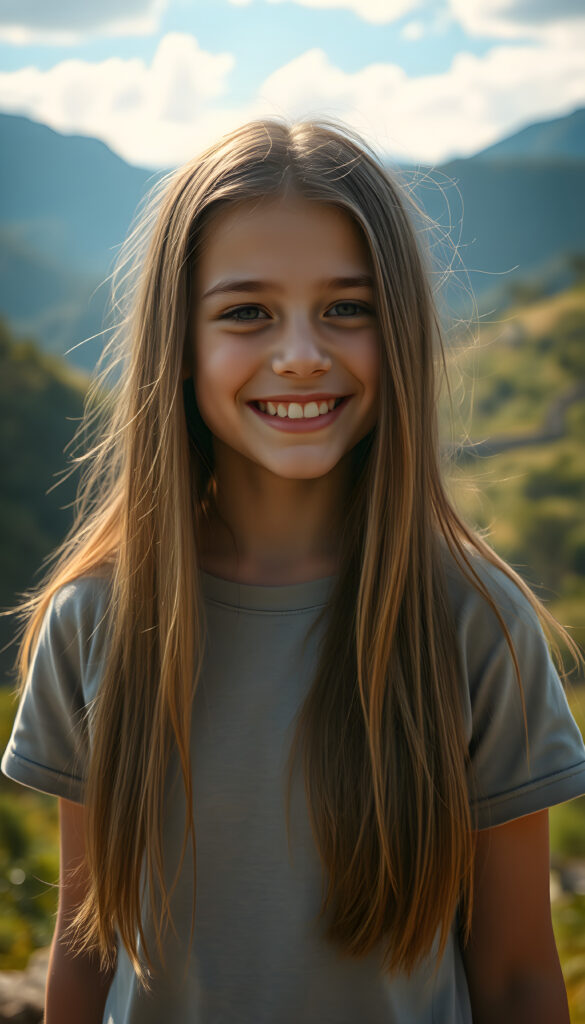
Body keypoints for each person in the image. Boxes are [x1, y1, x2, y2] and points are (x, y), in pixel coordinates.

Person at [2, 117, 585, 1024]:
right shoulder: (95, 619)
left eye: (347, 308)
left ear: (399, 331)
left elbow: (514, 976)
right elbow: (85, 958)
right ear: (178, 344)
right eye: (246, 312)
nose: (303, 352)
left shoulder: (477, 622)